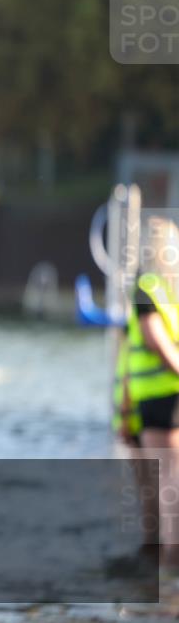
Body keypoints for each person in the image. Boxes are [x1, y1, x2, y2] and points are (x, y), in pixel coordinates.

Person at [122, 216, 179, 570]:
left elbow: (155, 340)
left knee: (167, 480)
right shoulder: (171, 292)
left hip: (159, 398)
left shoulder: (147, 286)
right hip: (171, 394)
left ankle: (171, 561)